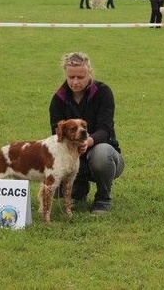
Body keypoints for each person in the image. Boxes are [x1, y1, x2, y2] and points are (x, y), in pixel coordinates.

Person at [49, 52, 124, 215]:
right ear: (66, 74)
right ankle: (78, 192)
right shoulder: (58, 99)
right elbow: (58, 136)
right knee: (52, 187)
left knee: (101, 154)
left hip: (105, 154)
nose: (75, 82)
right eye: (71, 77)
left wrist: (88, 141)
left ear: (89, 73)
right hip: (72, 154)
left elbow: (105, 129)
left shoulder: (103, 92)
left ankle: (103, 199)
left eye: (80, 77)